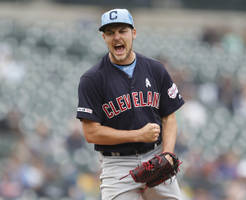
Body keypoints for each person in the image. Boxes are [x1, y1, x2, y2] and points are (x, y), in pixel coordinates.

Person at [76, 8, 185, 200]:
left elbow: (169, 116)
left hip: (155, 155)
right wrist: (138, 135)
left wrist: (167, 154)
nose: (116, 37)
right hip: (118, 165)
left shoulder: (155, 69)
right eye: (110, 32)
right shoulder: (92, 79)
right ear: (103, 37)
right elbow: (91, 133)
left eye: (122, 31)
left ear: (133, 33)